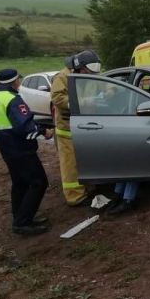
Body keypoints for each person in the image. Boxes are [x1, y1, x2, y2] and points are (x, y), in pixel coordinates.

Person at [0, 69, 54, 235]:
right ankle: (22, 223)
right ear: (15, 82)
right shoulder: (14, 100)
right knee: (39, 182)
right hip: (22, 150)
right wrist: (44, 132)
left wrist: (4, 139)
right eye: (19, 80)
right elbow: (25, 127)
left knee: (20, 184)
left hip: (7, 150)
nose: (19, 83)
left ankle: (20, 216)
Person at [51, 50, 101, 207]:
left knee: (84, 161)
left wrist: (110, 92)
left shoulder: (91, 74)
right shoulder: (63, 77)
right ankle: (74, 196)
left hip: (86, 127)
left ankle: (86, 187)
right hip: (67, 130)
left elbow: (105, 87)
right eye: (88, 71)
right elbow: (58, 98)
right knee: (70, 166)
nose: (91, 74)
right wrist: (84, 102)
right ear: (81, 67)